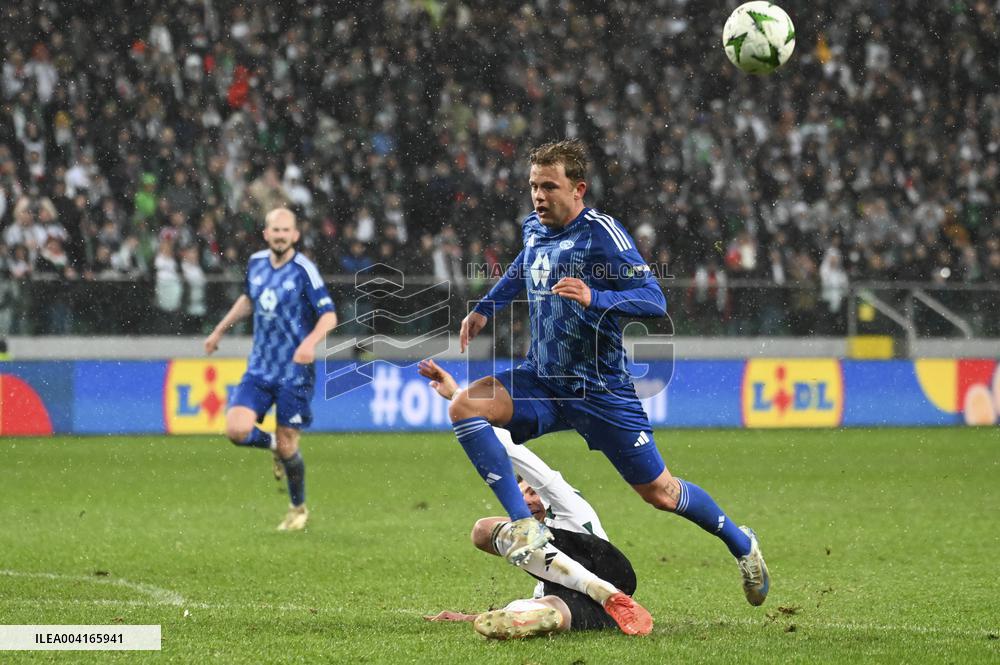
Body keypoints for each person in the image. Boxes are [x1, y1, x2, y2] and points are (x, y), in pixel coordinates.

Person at [448, 139, 770, 605]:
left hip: (601, 390)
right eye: (534, 186)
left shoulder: (603, 234)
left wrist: (595, 298)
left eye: (549, 187)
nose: (539, 196)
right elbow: (523, 268)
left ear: (578, 189)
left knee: (660, 492)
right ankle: (524, 527)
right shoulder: (533, 229)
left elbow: (653, 301)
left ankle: (743, 544)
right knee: (466, 406)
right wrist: (485, 308)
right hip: (544, 380)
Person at [418, 359, 651, 639]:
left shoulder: (566, 502)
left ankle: (601, 590)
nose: (529, 500)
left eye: (532, 492)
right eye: (522, 494)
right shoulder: (539, 555)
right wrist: (470, 617)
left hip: (606, 564)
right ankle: (559, 610)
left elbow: (509, 448)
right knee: (549, 609)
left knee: (483, 530)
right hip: (603, 608)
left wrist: (459, 397)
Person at [204, 208, 337, 530]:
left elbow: (329, 315)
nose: (279, 235)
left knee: (290, 442)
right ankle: (274, 447)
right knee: (236, 430)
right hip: (260, 369)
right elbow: (249, 299)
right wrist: (220, 329)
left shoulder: (305, 270)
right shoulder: (256, 263)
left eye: (285, 230)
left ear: (295, 235)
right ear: (266, 234)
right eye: (274, 230)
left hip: (295, 373)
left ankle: (297, 508)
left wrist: (309, 344)